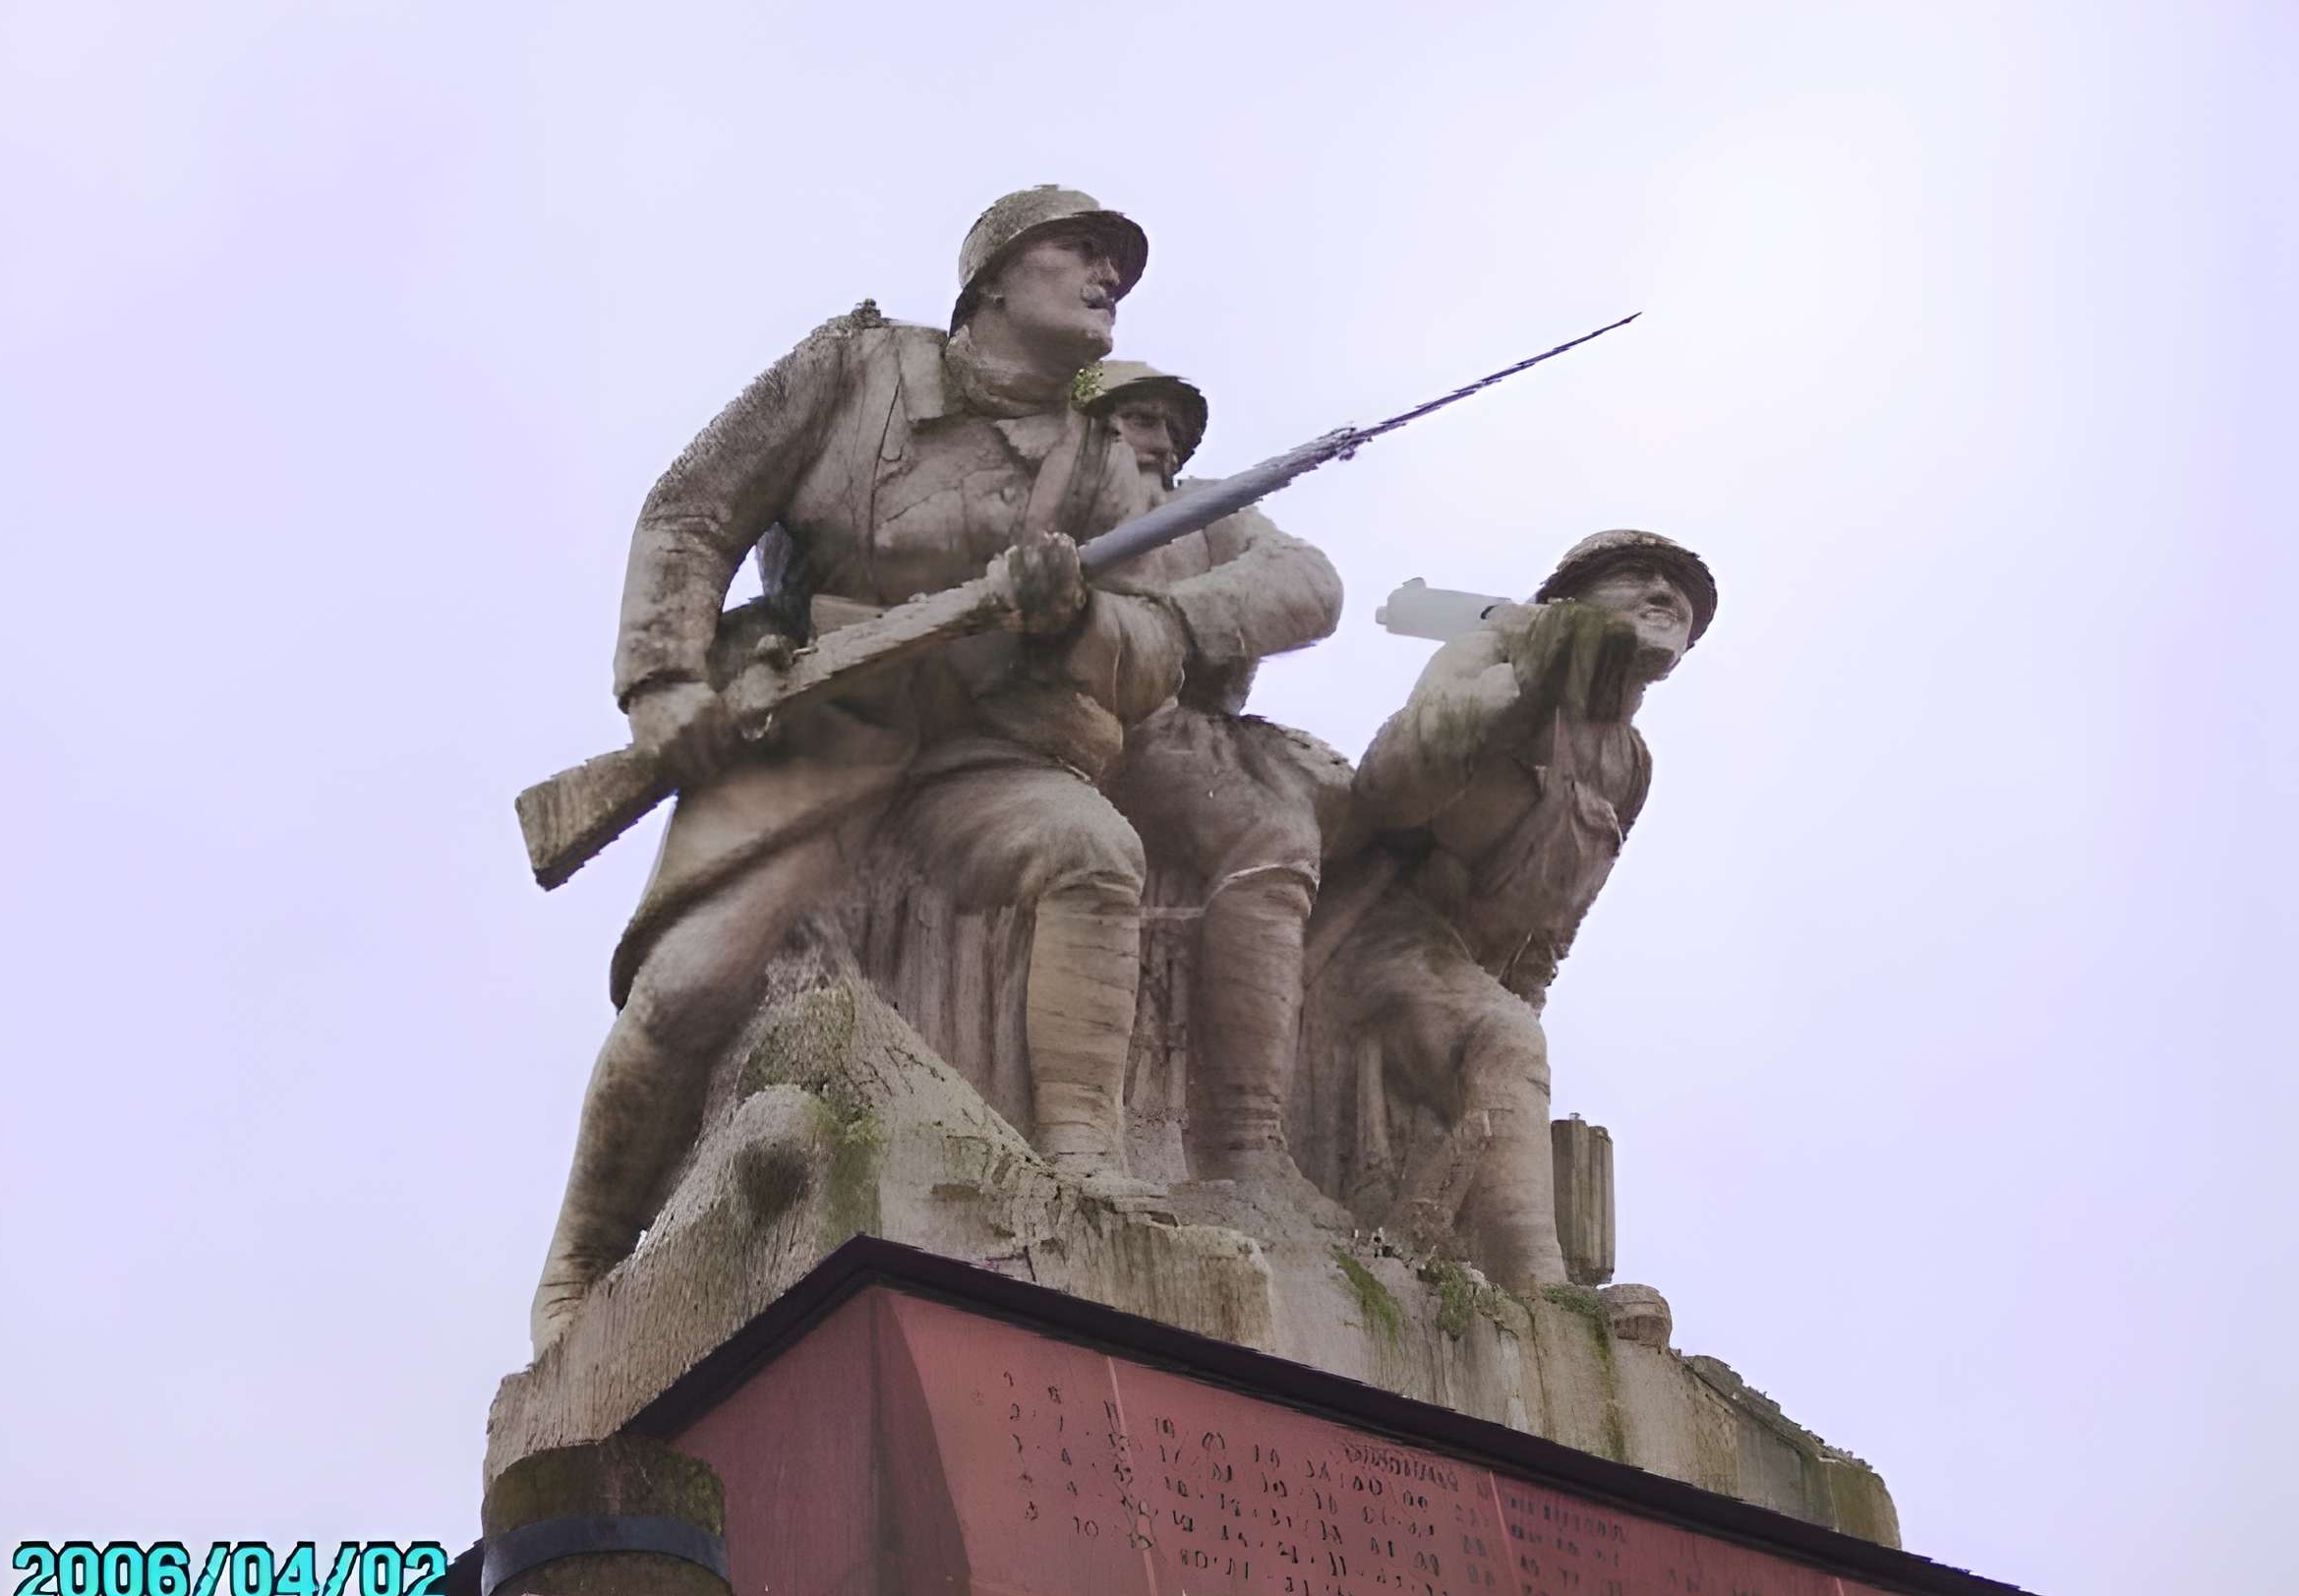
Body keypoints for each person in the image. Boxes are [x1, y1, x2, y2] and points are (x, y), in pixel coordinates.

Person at [532, 187, 1198, 1353]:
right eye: (1080, 252)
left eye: (1119, 267)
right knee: (690, 985)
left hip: (966, 741)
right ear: (992, 274)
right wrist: (667, 686)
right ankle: (582, 1261)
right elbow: (692, 513)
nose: (1107, 277)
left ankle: (1086, 1155)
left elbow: (1153, 658)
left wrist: (1074, 615)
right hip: (806, 719)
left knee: (1095, 851)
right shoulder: (857, 370)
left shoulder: (1096, 462)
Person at [1301, 531, 1715, 1287]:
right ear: (1569, 603)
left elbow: (1549, 936)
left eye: (1683, 592)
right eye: (1636, 575)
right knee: (1506, 1037)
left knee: (1509, 1037)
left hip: (1466, 972)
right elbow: (1388, 786)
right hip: (1375, 938)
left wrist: (1512, 1015)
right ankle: (1542, 1293)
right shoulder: (1491, 656)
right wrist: (1518, 691)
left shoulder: (1629, 766)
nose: (1667, 596)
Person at [1083, 362, 1352, 1188]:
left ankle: (1255, 1137)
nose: (1161, 441)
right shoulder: (1044, 480)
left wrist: (1174, 621)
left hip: (1176, 721)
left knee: (1311, 822)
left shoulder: (1202, 511)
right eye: (1138, 417)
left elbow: (1310, 585)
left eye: (1172, 426)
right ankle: (1237, 1141)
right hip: (1077, 718)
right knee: (1267, 834)